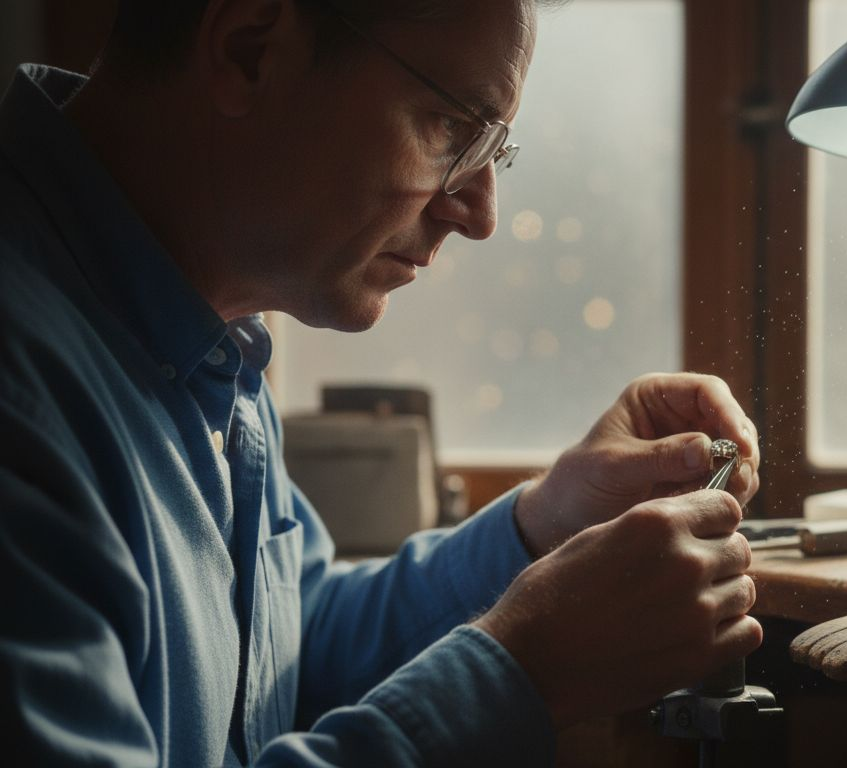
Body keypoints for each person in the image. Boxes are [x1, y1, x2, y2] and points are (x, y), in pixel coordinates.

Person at [0, 0, 763, 764]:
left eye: (494, 148)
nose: (479, 212)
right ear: (249, 50)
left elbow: (289, 652)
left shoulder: (204, 339)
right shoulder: (24, 383)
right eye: (451, 127)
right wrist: (526, 673)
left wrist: (546, 524)